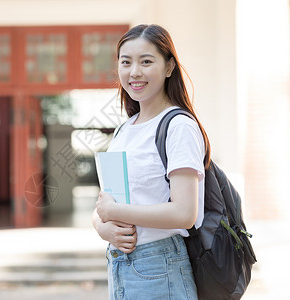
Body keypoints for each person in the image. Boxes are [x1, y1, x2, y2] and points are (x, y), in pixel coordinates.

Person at [92, 24, 211, 300]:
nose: (135, 72)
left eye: (146, 61)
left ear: (169, 67)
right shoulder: (125, 130)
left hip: (159, 266)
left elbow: (184, 213)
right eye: (126, 62)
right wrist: (102, 228)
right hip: (120, 265)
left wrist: (117, 211)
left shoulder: (178, 125)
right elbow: (104, 204)